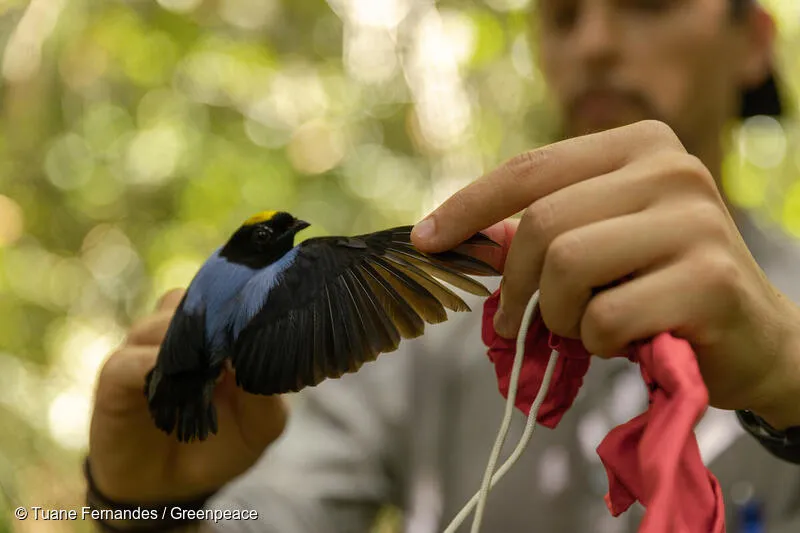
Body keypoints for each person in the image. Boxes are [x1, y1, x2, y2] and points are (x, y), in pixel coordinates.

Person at [86, 0, 800, 531]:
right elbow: (269, 511)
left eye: (648, 2)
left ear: (753, 42)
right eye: (561, 16)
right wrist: (149, 506)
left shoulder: (789, 328)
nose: (595, 43)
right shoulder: (438, 328)